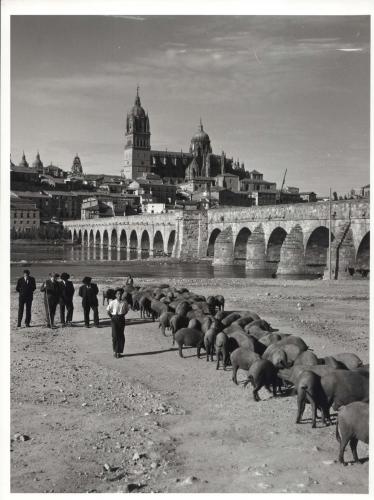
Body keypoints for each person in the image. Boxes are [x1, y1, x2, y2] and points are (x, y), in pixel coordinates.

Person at [107, 287, 129, 358]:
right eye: (118, 294)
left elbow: (126, 311)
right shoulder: (112, 302)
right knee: (115, 335)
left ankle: (119, 352)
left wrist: (121, 316)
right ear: (116, 295)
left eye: (121, 294)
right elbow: (108, 310)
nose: (119, 295)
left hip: (121, 319)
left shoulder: (124, 302)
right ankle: (115, 351)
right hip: (114, 319)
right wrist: (113, 317)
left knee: (121, 336)